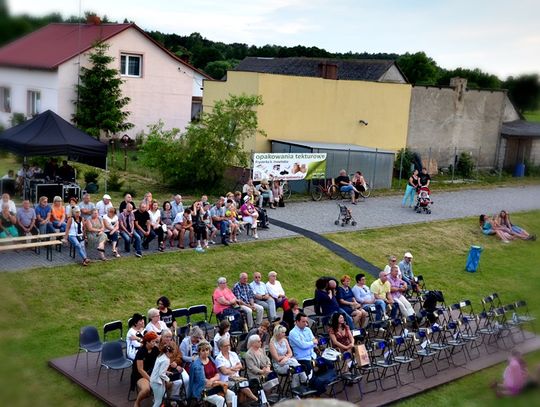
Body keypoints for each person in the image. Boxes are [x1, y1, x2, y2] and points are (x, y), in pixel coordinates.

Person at [188, 340, 235, 407]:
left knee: (232, 394)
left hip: (215, 386)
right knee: (220, 399)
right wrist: (214, 381)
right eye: (203, 350)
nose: (205, 352)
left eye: (207, 350)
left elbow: (217, 374)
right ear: (199, 352)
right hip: (203, 390)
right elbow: (203, 381)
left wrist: (212, 380)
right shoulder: (195, 364)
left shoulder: (211, 359)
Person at [215, 337, 259, 403]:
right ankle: (256, 399)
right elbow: (225, 372)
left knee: (244, 383)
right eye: (225, 346)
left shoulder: (233, 354)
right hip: (226, 380)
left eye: (229, 345)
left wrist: (230, 369)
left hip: (237, 377)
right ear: (220, 347)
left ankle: (249, 401)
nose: (228, 347)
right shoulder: (218, 358)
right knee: (242, 384)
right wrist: (235, 368)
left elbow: (240, 366)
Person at [269, 324, 307, 389]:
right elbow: (277, 358)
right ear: (278, 333)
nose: (284, 334)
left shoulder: (285, 340)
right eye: (283, 332)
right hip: (279, 365)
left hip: (287, 361)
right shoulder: (272, 343)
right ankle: (304, 380)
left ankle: (295, 388)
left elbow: (290, 353)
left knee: (295, 368)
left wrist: (286, 358)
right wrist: (285, 357)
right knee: (296, 367)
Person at [131, 331, 160, 407]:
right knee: (146, 389)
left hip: (152, 372)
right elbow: (140, 369)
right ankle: (137, 402)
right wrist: (150, 379)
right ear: (147, 342)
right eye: (153, 341)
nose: (154, 343)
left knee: (167, 383)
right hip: (140, 375)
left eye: (155, 341)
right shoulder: (141, 352)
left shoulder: (155, 349)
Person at [159, 329, 189, 398]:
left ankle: (185, 396)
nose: (168, 339)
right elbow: (160, 362)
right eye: (166, 337)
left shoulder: (173, 343)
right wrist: (171, 364)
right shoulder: (159, 347)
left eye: (170, 337)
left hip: (177, 366)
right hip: (165, 370)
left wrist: (175, 362)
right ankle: (173, 397)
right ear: (162, 337)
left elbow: (180, 355)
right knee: (178, 382)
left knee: (187, 379)